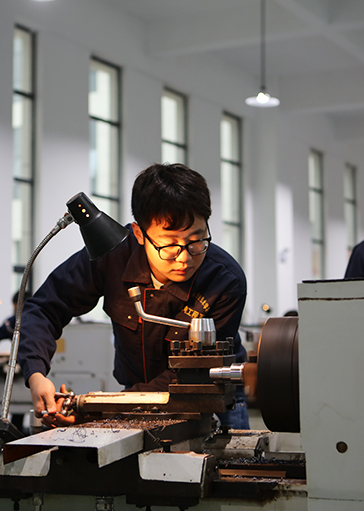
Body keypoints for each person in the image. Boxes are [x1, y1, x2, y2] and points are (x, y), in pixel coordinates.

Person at [18, 163, 249, 429]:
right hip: (133, 393)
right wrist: (36, 374)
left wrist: (100, 411)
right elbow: (44, 309)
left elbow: (190, 375)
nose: (184, 258)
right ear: (139, 233)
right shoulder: (113, 255)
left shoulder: (225, 280)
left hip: (209, 393)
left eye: (196, 241)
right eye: (169, 245)